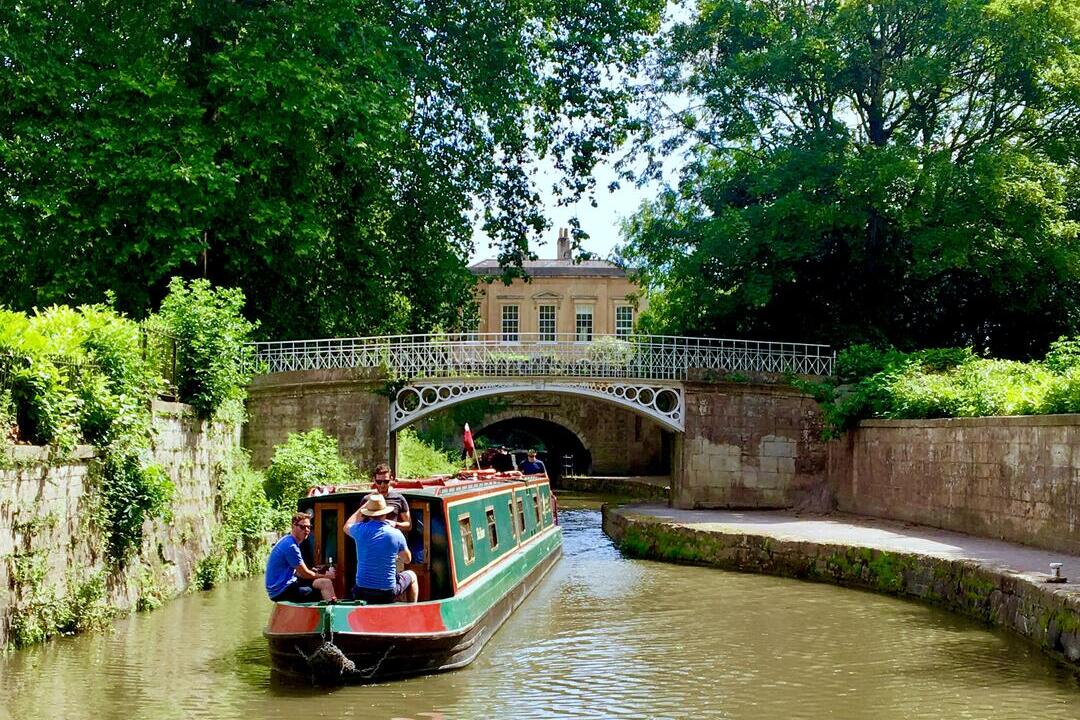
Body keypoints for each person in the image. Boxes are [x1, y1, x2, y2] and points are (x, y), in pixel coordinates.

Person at [345, 493, 418, 604]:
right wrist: (395, 554)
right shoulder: (396, 533)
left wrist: (364, 507)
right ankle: (412, 610)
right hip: (386, 593)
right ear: (385, 513)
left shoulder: (359, 530)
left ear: (368, 515)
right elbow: (408, 559)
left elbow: (347, 525)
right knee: (412, 576)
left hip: (361, 592)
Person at [265, 512, 336, 602]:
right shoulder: (291, 546)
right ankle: (325, 613)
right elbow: (304, 574)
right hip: (280, 592)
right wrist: (327, 575)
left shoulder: (288, 540)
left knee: (324, 582)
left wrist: (315, 573)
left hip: (283, 586)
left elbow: (298, 572)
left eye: (309, 527)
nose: (306, 530)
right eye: (302, 527)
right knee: (314, 591)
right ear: (294, 526)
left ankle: (331, 611)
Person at [370, 462, 411, 533]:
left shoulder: (399, 499)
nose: (382, 485)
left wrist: (394, 524)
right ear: (374, 480)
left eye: (386, 481)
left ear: (391, 479)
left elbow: (408, 525)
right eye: (379, 481)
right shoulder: (368, 499)